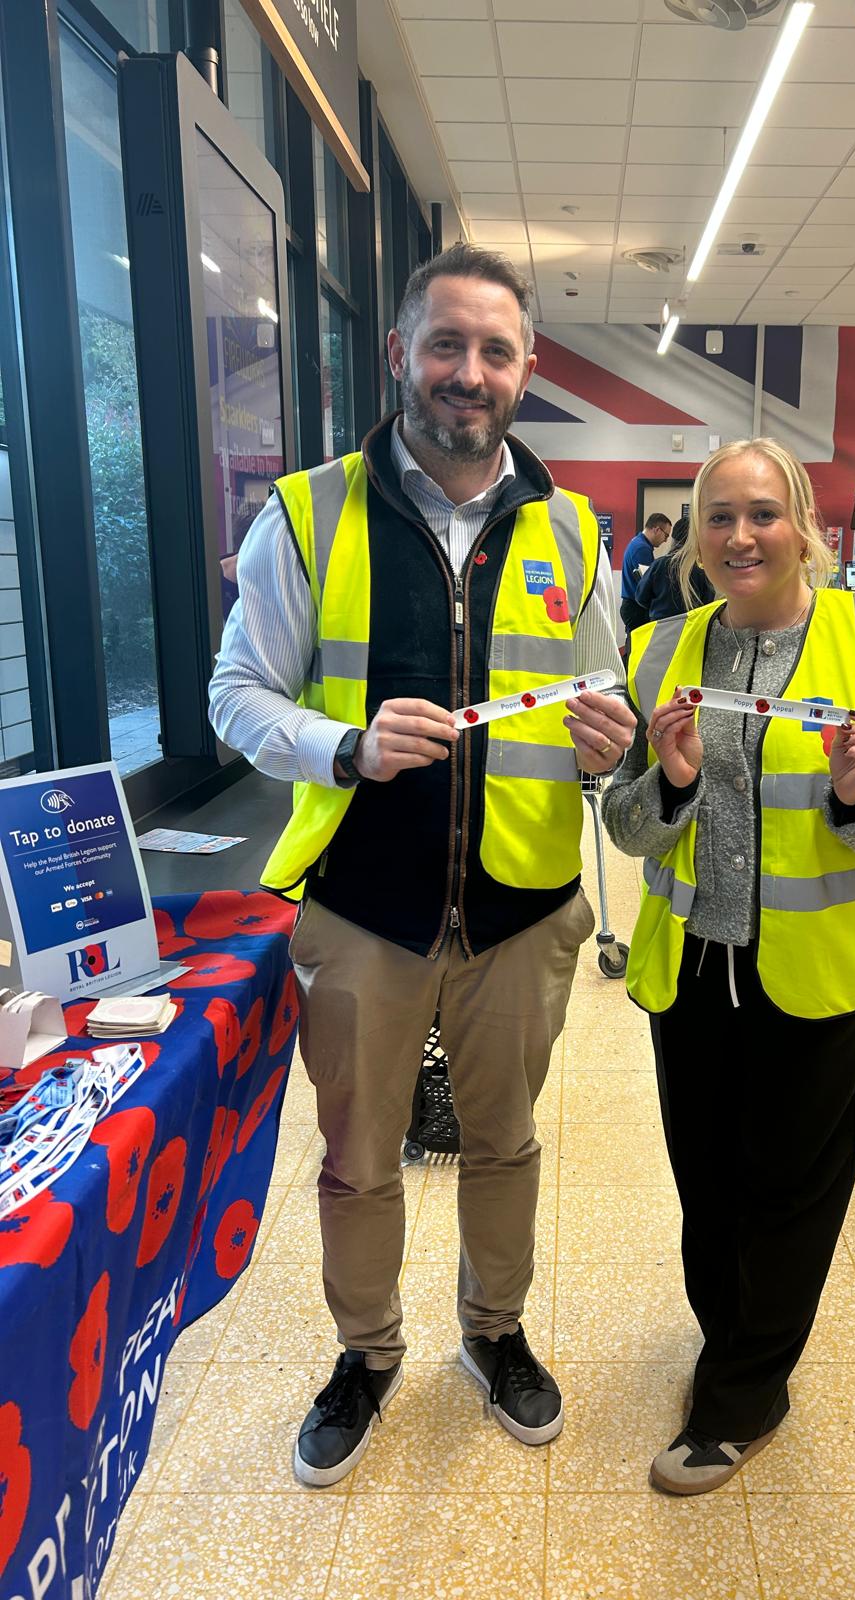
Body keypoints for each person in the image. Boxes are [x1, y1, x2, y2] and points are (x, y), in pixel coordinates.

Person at [209, 242, 636, 1487]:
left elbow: (593, 688)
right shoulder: (308, 511)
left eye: (494, 350)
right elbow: (235, 693)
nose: (468, 371)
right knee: (359, 1155)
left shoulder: (568, 529)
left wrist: (605, 733)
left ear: (527, 371)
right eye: (445, 344)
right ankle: (367, 1351)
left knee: (503, 1144)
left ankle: (494, 1334)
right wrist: (339, 744)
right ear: (400, 353)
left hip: (520, 907)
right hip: (362, 908)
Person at [603, 438, 855, 1496]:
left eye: (763, 513)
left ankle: (748, 1390)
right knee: (706, 1179)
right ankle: (733, 1342)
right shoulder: (660, 648)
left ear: (804, 525)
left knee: (792, 1187)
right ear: (695, 537)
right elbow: (624, 825)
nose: (740, 535)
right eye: (719, 516)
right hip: (692, 973)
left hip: (817, 971)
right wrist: (664, 782)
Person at [634, 516, 715, 621]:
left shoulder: (659, 565)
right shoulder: (701, 570)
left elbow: (641, 598)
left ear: (674, 539)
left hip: (660, 629)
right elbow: (708, 603)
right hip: (690, 630)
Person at [620, 513, 672, 637]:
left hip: (632, 605)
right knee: (639, 650)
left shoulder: (637, 542)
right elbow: (648, 585)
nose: (665, 540)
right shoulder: (641, 549)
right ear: (657, 530)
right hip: (636, 608)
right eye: (666, 535)